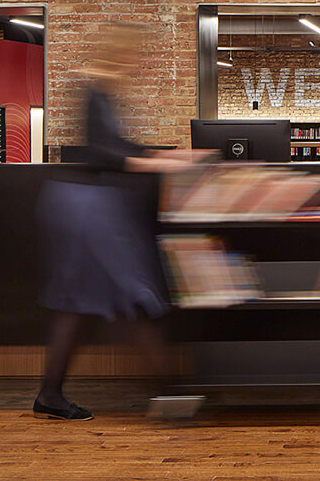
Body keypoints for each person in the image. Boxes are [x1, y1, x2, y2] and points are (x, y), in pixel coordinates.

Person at [33, 22, 202, 421]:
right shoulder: (95, 89)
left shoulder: (104, 93)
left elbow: (118, 146)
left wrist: (167, 156)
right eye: (137, 56)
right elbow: (102, 153)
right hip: (89, 209)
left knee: (78, 304)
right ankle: (171, 389)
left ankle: (51, 394)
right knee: (130, 296)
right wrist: (155, 162)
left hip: (84, 206)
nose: (141, 63)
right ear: (121, 54)